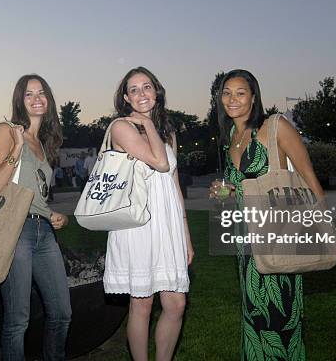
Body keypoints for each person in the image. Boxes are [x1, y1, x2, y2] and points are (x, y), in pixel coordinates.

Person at [210, 69, 324, 360]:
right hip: (245, 243)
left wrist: (313, 231)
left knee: (280, 316)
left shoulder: (275, 127)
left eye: (240, 92)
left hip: (279, 234)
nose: (232, 99)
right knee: (254, 314)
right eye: (226, 92)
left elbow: (310, 182)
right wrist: (225, 193)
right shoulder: (231, 137)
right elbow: (242, 190)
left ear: (253, 97)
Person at [103, 66, 194, 361]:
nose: (142, 93)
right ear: (126, 98)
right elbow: (160, 163)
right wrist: (148, 125)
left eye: (147, 87)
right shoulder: (121, 127)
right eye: (134, 89)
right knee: (141, 304)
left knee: (176, 304)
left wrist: (186, 235)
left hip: (168, 225)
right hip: (137, 224)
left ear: (156, 92)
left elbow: (174, 183)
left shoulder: (168, 132)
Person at [0, 74, 70, 360]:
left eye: (42, 92)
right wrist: (18, 147)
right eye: (29, 93)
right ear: (19, 100)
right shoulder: (7, 131)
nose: (36, 98)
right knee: (17, 320)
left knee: (61, 313)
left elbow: (34, 194)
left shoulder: (43, 144)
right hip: (15, 232)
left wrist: (52, 214)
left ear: (49, 100)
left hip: (44, 232)